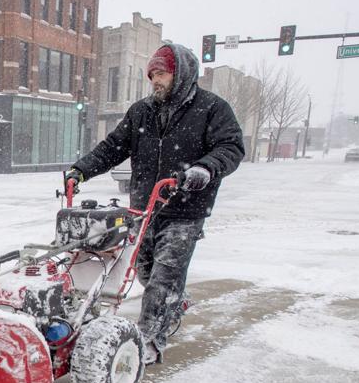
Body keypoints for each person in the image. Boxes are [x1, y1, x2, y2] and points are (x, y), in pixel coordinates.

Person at [63, 42, 245, 364]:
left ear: (180, 74)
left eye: (160, 74)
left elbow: (230, 147)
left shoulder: (212, 109)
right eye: (152, 75)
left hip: (185, 211)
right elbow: (112, 147)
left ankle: (147, 343)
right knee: (144, 269)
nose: (155, 81)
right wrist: (81, 169)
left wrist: (204, 169)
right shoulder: (142, 111)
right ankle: (174, 302)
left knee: (163, 278)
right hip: (145, 207)